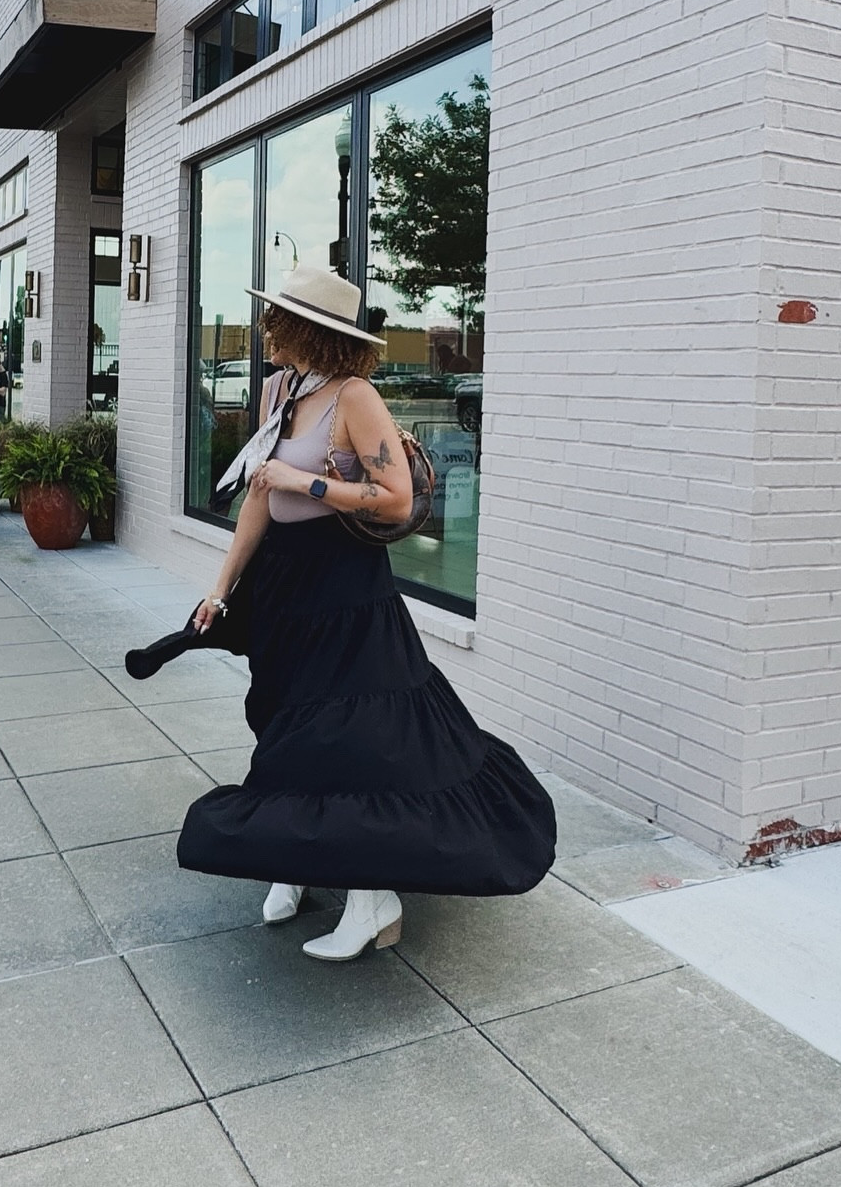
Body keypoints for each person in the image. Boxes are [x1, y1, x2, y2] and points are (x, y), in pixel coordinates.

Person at [173, 265, 557, 962]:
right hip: (287, 588)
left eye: (276, 319)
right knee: (285, 724)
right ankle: (296, 861)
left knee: (348, 740)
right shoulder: (275, 391)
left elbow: (398, 497)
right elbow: (259, 498)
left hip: (347, 591)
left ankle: (371, 898)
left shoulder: (356, 397)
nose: (266, 331)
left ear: (308, 330)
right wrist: (222, 586)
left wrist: (306, 478)